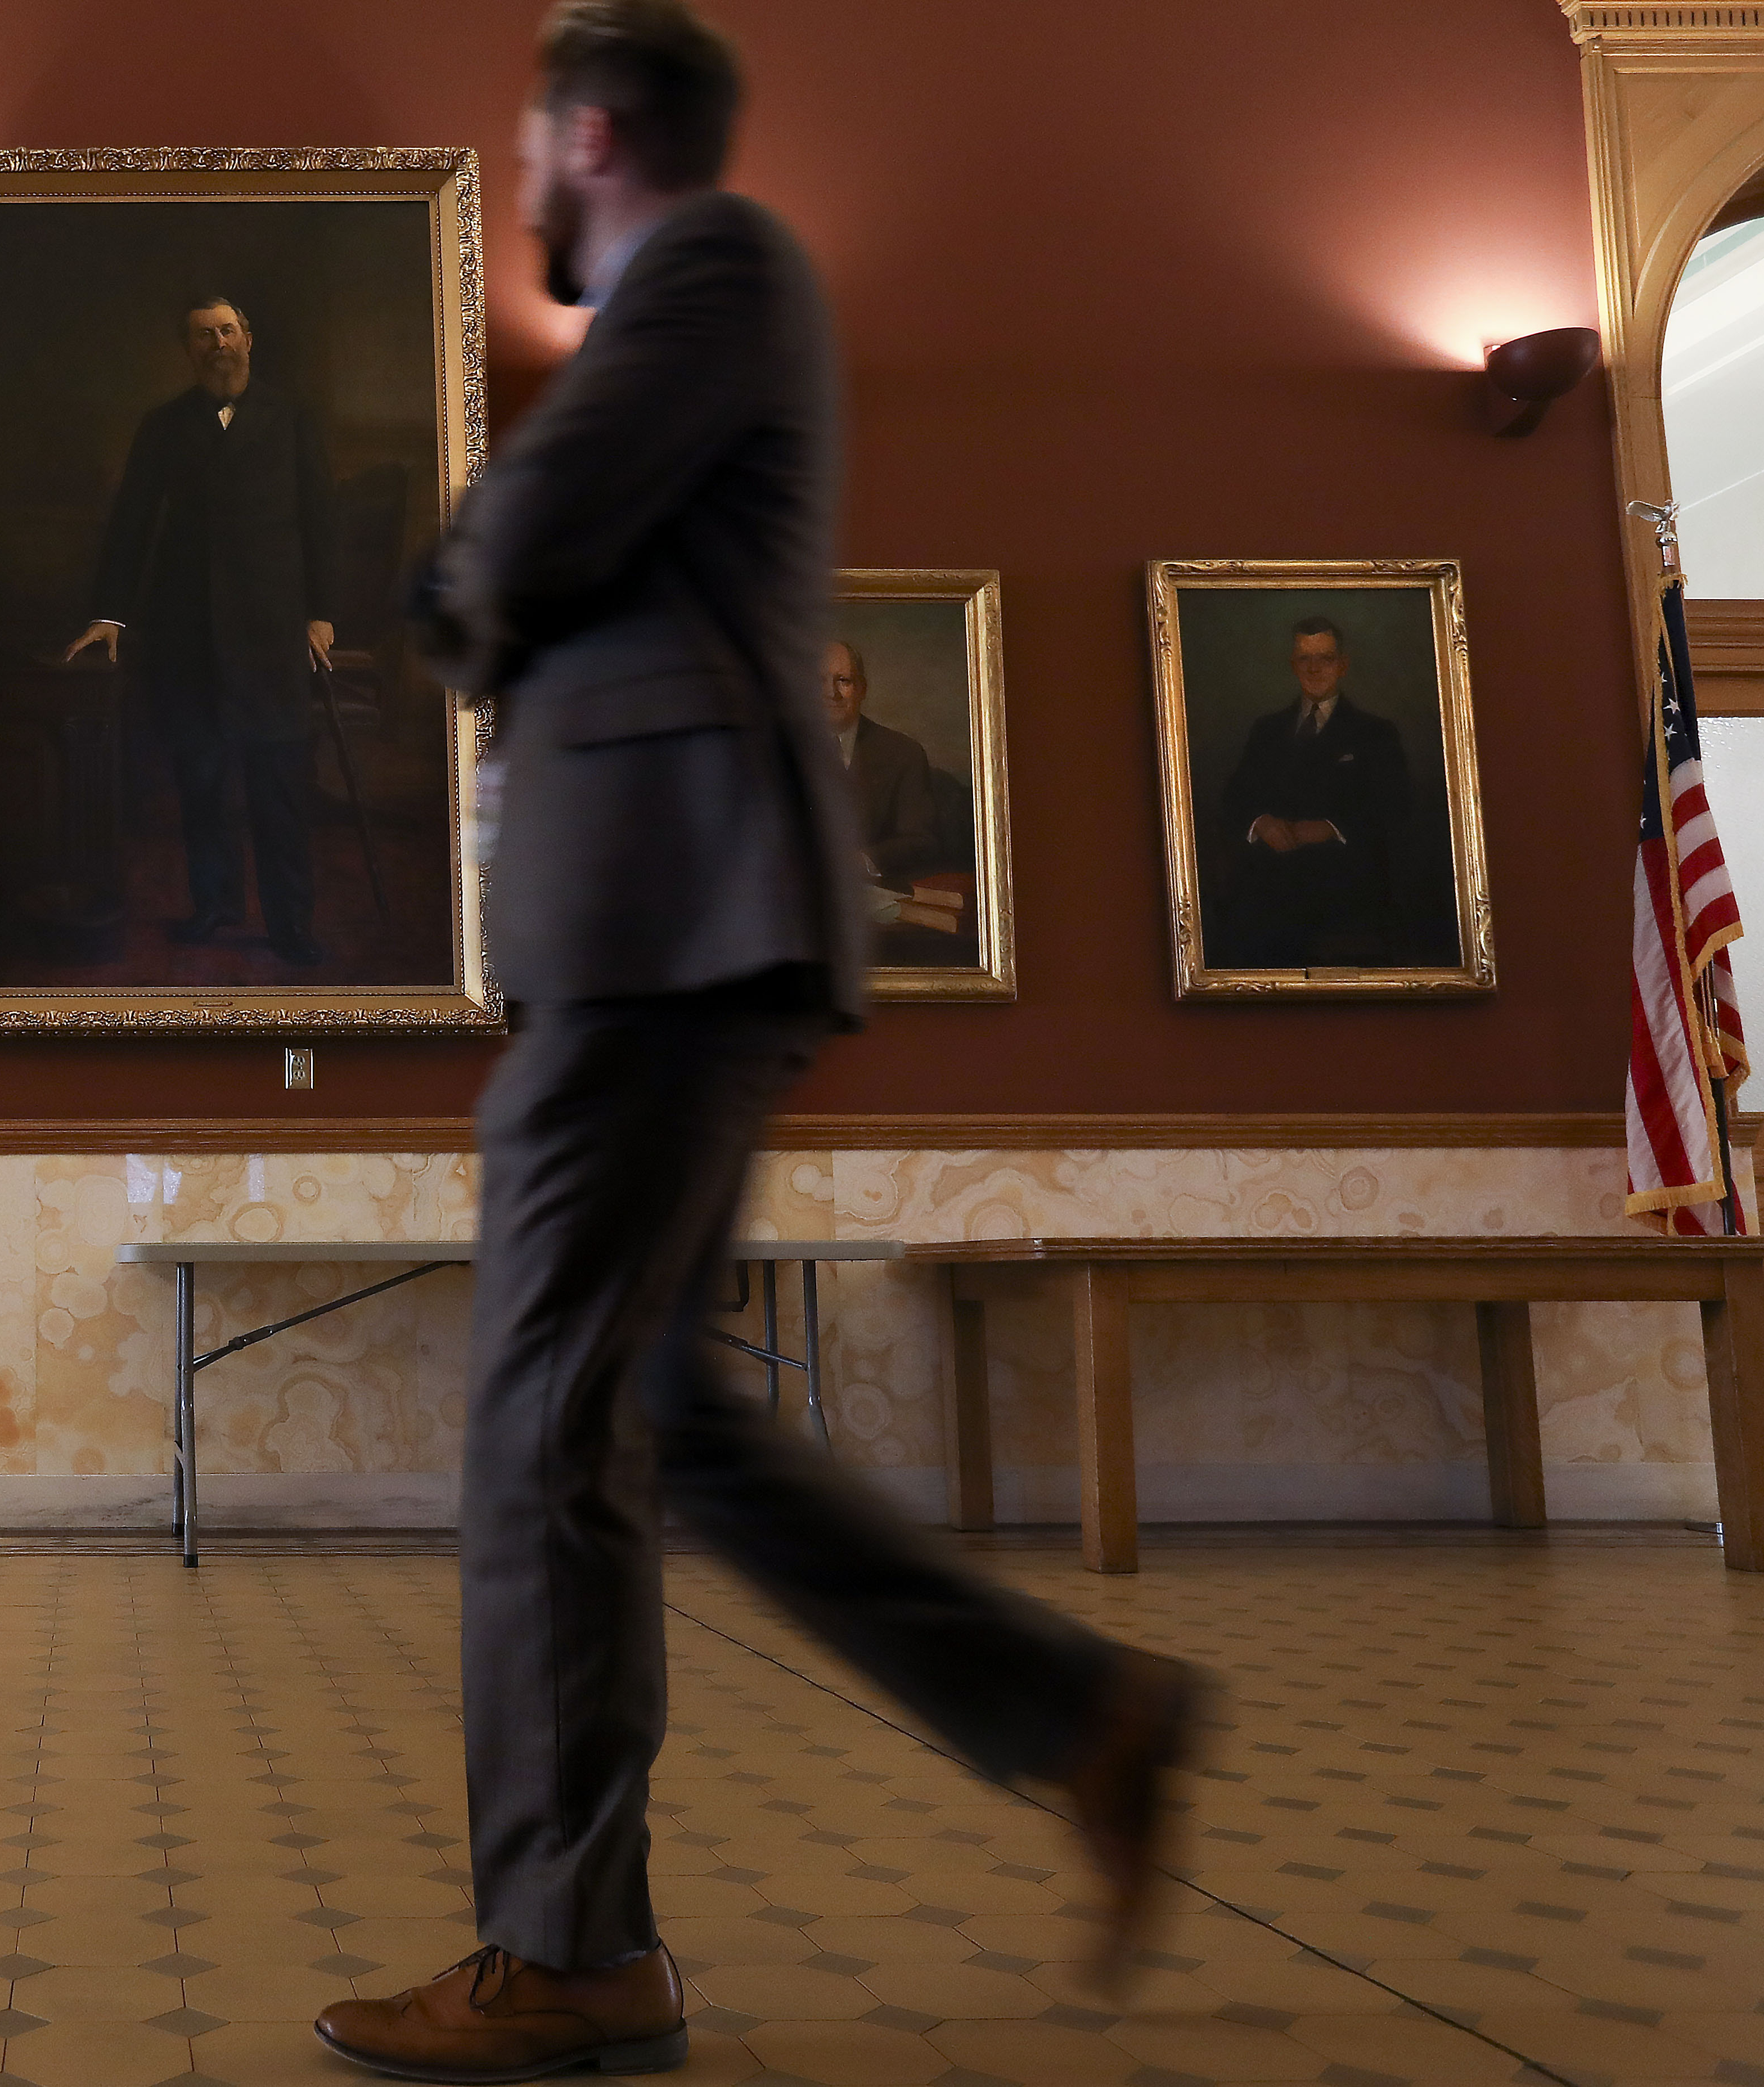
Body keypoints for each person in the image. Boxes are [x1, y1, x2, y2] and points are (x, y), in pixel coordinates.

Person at [315, 6, 1205, 2079]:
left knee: (543, 1422)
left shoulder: (711, 263)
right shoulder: (689, 298)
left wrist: (455, 569)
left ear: (588, 131)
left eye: (527, 140)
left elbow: (516, 546)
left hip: (666, 926)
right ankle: (1081, 1714)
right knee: (663, 1416)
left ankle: (569, 1951)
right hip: (676, 927)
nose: (518, 177)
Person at [65, 294, 340, 966]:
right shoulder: (163, 425)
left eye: (227, 331)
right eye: (203, 336)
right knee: (203, 784)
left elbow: (320, 519)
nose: (218, 344)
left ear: (249, 338)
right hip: (188, 634)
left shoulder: (292, 418)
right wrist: (110, 612)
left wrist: (321, 612)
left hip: (272, 632)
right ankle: (214, 905)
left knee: (278, 792)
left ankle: (290, 923)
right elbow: (132, 519)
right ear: (189, 351)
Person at [1209, 616, 1414, 968]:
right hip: (1267, 888)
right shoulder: (1267, 730)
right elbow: (1235, 799)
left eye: (1326, 658)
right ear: (1293, 665)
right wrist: (1261, 823)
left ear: (1343, 666)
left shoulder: (1375, 733)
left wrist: (1330, 828)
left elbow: (1394, 810)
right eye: (1305, 658)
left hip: (1343, 889)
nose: (1314, 668)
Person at [823, 638, 940, 886]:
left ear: (862, 689)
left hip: (876, 894)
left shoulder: (903, 754)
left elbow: (921, 840)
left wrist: (863, 862)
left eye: (843, 681)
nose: (831, 693)